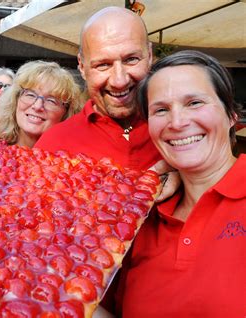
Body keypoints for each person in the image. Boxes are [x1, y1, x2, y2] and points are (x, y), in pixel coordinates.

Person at [115, 50, 244, 317]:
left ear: (231, 115)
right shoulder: (142, 220)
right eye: (161, 110)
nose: (177, 122)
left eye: (195, 102)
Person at [35, 7, 161, 171]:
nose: (119, 81)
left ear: (149, 56)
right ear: (81, 66)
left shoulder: (180, 130)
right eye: (103, 65)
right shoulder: (53, 146)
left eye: (131, 59)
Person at [0, 60, 82, 148]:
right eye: (30, 95)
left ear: (67, 113)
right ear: (15, 100)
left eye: (51, 101)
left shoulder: (72, 160)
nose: (37, 106)